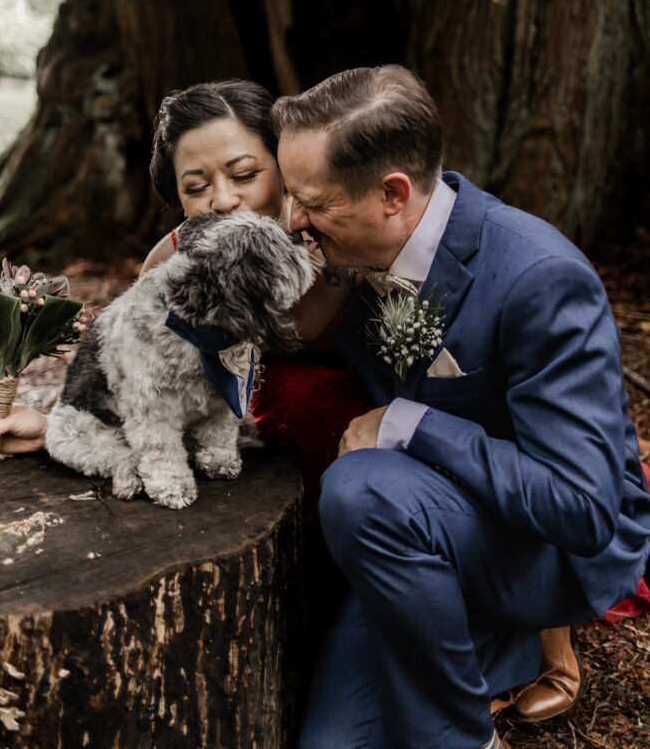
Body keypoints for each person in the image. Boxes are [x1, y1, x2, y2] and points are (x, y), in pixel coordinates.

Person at [270, 65, 650, 749]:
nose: (295, 220)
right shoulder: (350, 257)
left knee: (361, 489)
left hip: (543, 547)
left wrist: (410, 424)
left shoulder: (539, 277)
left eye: (311, 201)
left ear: (392, 194)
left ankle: (456, 738)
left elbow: (583, 507)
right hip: (419, 532)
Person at [0, 78, 367, 490]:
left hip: (353, 444)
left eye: (245, 174)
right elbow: (137, 384)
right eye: (196, 187)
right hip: (237, 458)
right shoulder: (169, 265)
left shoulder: (344, 237)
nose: (223, 200)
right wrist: (54, 427)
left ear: (285, 167)